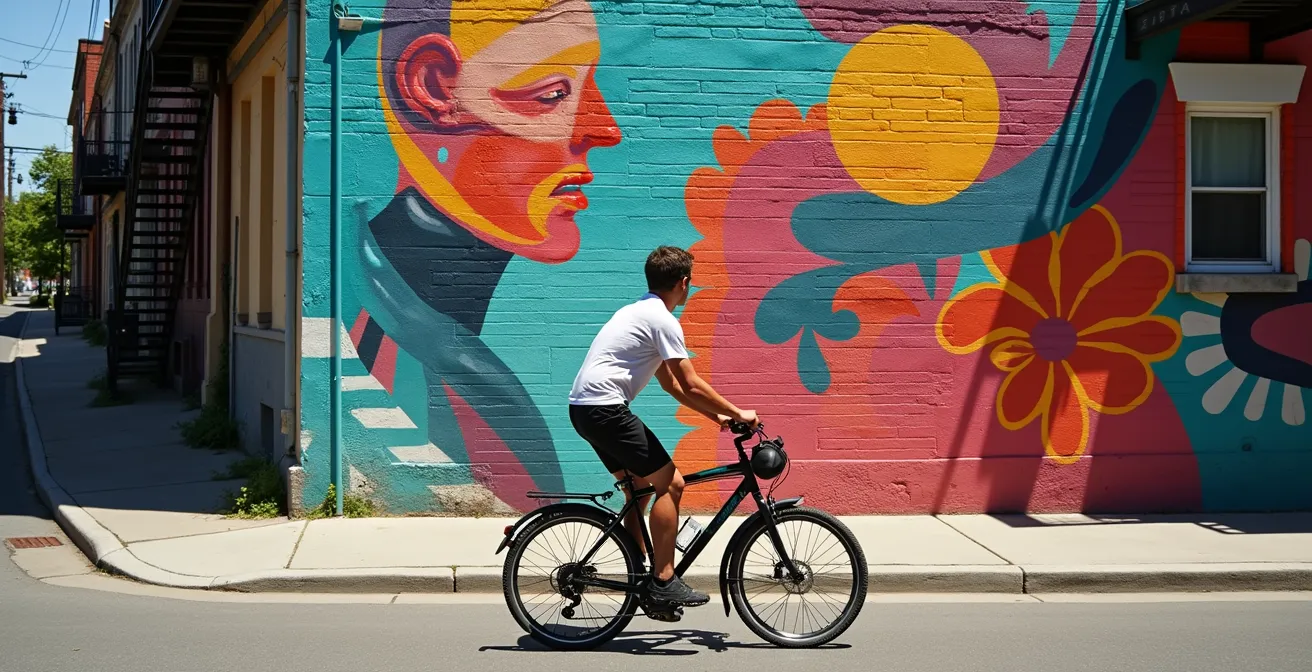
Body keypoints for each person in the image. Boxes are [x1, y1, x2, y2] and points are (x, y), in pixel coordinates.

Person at [347, 0, 623, 510]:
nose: (604, 128)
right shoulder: (368, 350)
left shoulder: (402, 328)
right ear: (432, 86)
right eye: (553, 93)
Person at [568, 246, 760, 607]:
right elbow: (689, 381)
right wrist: (738, 413)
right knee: (671, 483)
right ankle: (664, 579)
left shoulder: (637, 312)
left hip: (585, 409)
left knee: (638, 488)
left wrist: (714, 417)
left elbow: (670, 384)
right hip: (605, 409)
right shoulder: (662, 320)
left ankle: (640, 574)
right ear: (684, 283)